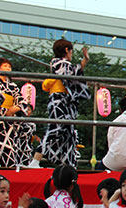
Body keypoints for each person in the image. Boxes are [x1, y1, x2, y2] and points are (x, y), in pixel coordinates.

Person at [29, 39, 91, 168]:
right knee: (55, 130)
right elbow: (73, 73)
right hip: (59, 101)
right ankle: (36, 160)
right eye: (71, 51)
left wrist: (84, 61)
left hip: (65, 101)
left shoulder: (63, 64)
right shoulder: (59, 63)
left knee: (69, 134)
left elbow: (73, 72)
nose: (71, 54)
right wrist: (83, 62)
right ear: (67, 50)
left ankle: (68, 165)